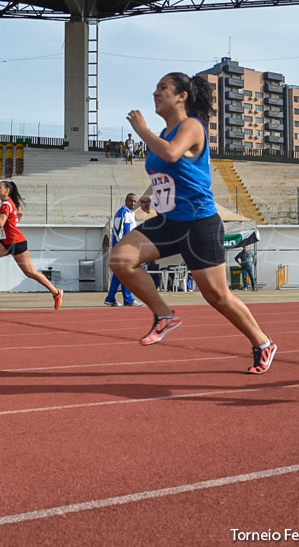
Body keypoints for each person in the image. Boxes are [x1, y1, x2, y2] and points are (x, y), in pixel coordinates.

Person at [109, 72, 277, 374]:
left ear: (181, 96)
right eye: (155, 87)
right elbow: (168, 169)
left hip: (200, 224)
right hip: (170, 222)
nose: (155, 93)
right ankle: (164, 314)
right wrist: (150, 194)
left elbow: (172, 153)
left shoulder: (191, 126)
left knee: (217, 297)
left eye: (163, 88)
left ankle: (262, 343)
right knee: (121, 259)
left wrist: (142, 130)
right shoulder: (164, 130)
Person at [0, 180, 63, 308]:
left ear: (7, 191)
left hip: (17, 242)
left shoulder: (6, 204)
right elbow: (15, 219)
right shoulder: (10, 204)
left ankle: (56, 292)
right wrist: (18, 216)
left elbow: (0, 223)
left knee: (30, 272)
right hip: (7, 242)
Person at [105, 193, 142, 307]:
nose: (133, 203)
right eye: (131, 201)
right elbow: (117, 232)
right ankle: (128, 299)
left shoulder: (132, 214)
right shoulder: (122, 213)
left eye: (135, 201)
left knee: (119, 274)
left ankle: (110, 298)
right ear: (126, 201)